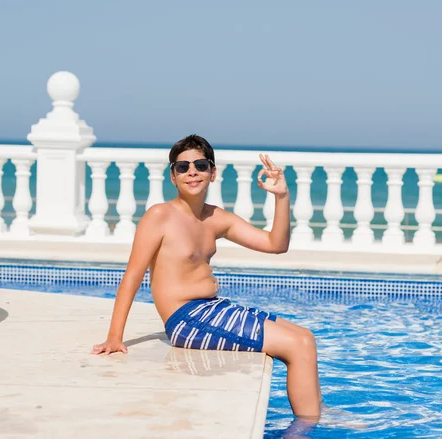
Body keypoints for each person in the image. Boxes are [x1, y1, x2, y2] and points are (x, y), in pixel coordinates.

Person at [92, 134, 322, 420]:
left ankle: (315, 417)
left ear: (212, 173)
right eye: (182, 167)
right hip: (187, 319)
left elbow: (276, 245)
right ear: (173, 177)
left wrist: (281, 197)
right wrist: (115, 337)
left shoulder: (216, 218)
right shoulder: (159, 216)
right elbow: (132, 277)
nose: (192, 171)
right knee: (296, 345)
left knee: (306, 337)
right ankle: (305, 431)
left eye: (200, 165)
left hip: (214, 309)